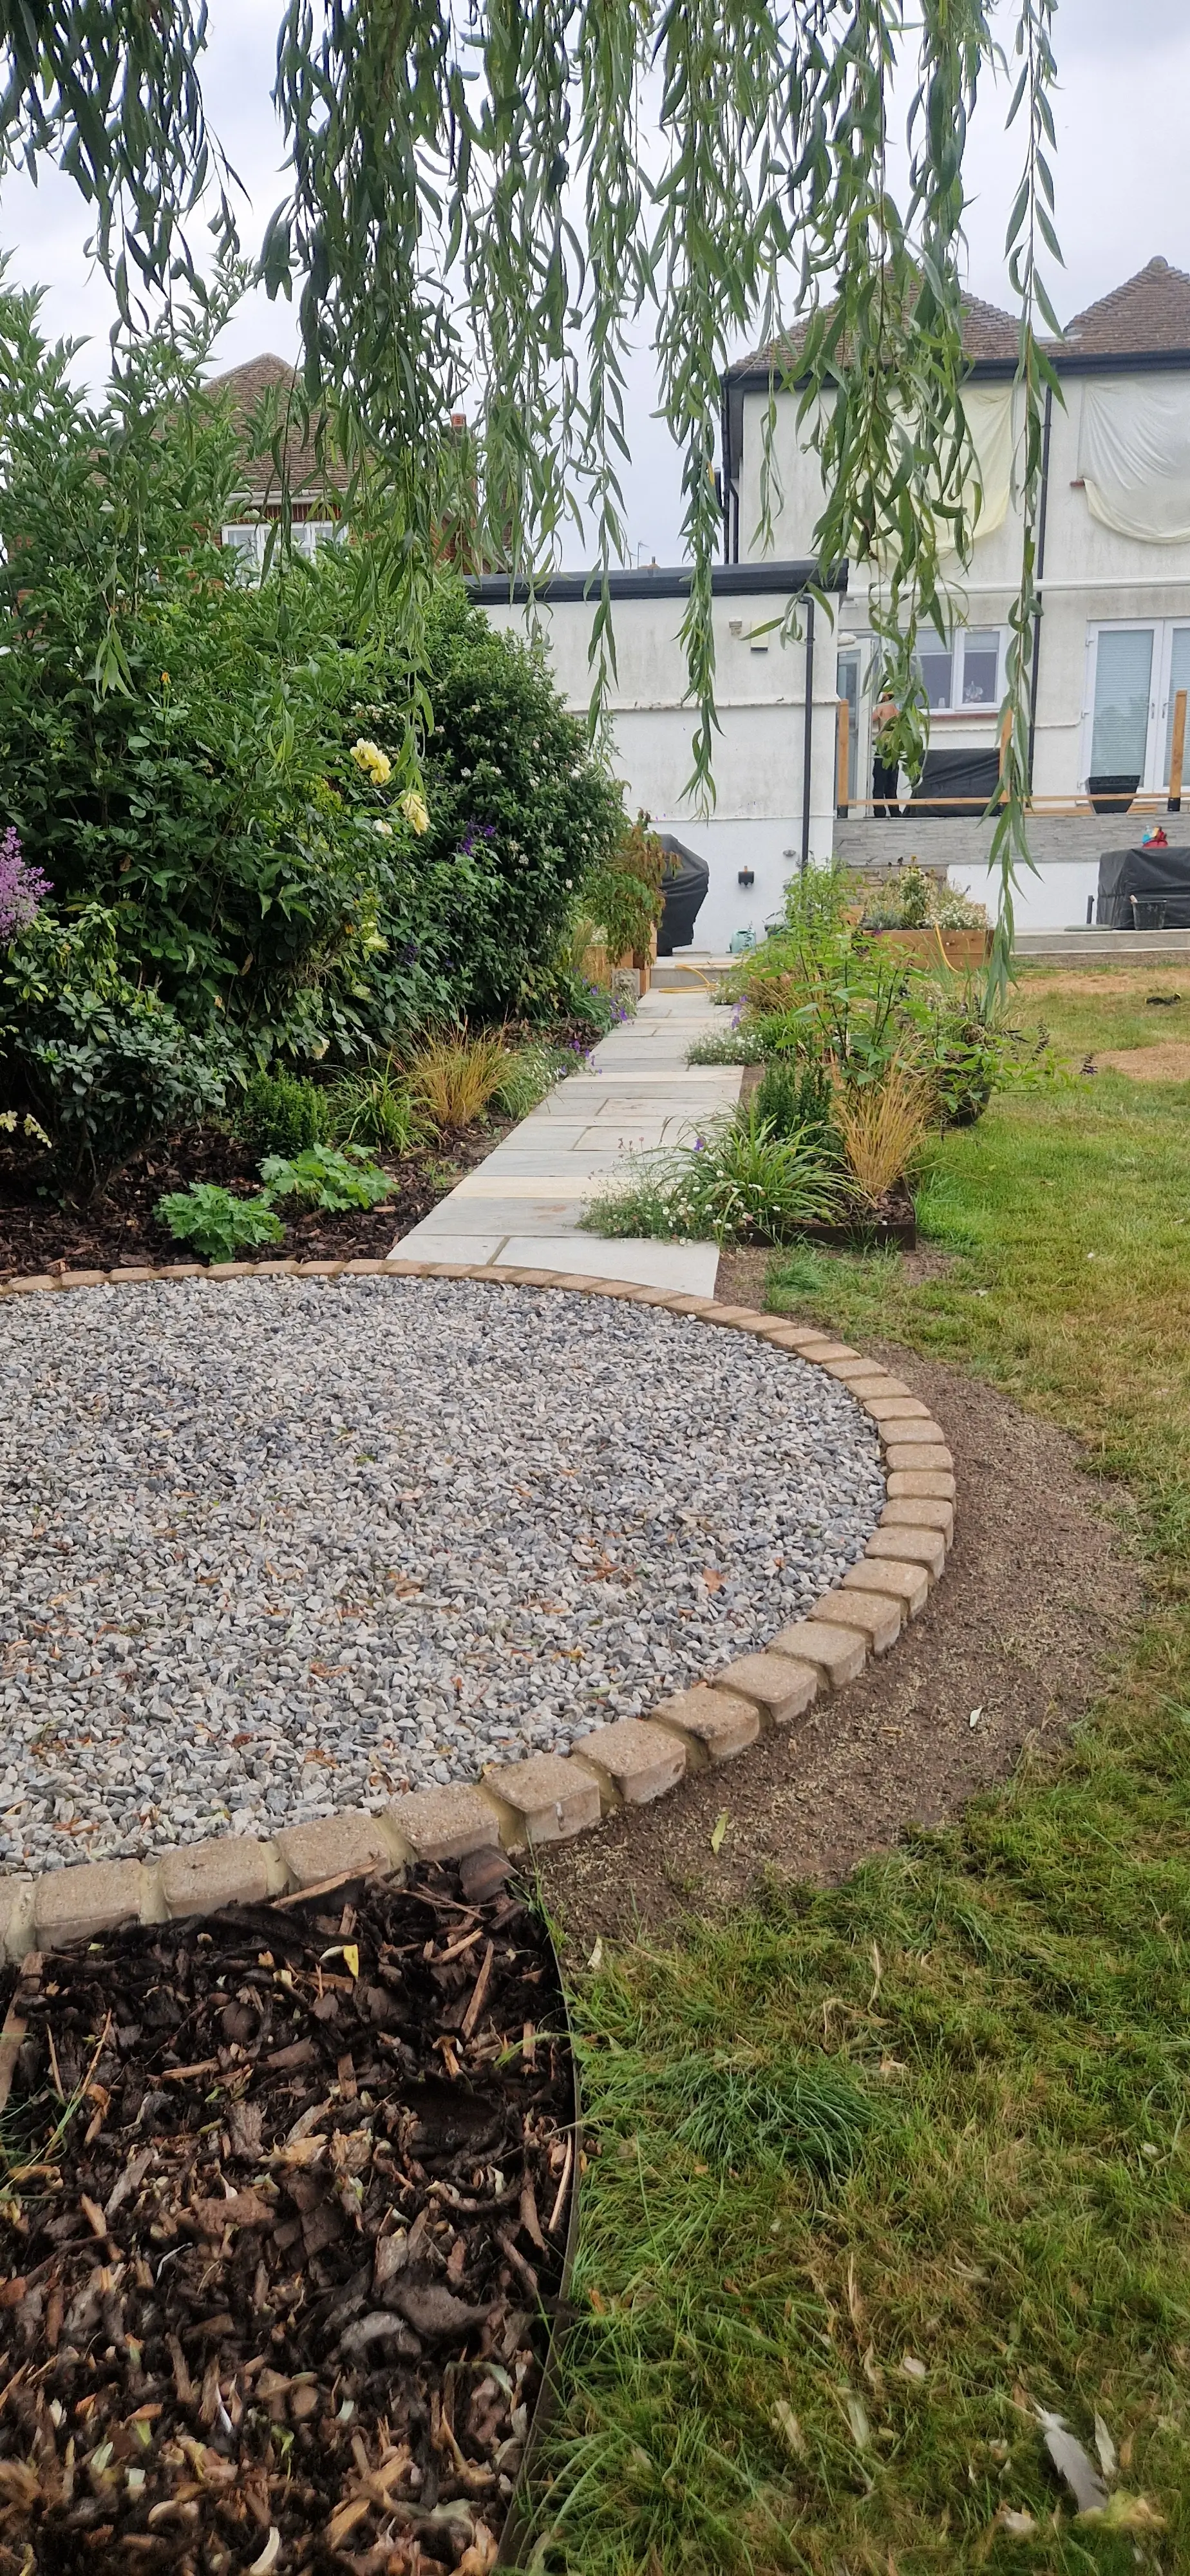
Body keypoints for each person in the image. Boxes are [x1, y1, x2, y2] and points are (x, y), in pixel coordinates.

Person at [872, 690, 902, 819]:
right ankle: (895, 812)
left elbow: (871, 720)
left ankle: (879, 812)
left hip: (883, 748)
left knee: (879, 781)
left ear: (884, 697)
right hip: (894, 749)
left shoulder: (881, 708)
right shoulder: (897, 712)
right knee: (892, 783)